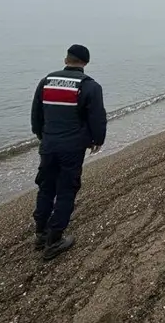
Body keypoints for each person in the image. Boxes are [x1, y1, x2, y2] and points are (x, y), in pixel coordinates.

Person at [30, 44, 107, 260]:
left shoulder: (46, 81)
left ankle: (40, 233)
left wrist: (42, 136)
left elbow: (36, 114)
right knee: (66, 189)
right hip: (71, 148)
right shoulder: (90, 86)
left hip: (49, 144)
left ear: (66, 60)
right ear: (86, 63)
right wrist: (97, 140)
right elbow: (97, 117)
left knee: (46, 188)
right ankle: (54, 240)